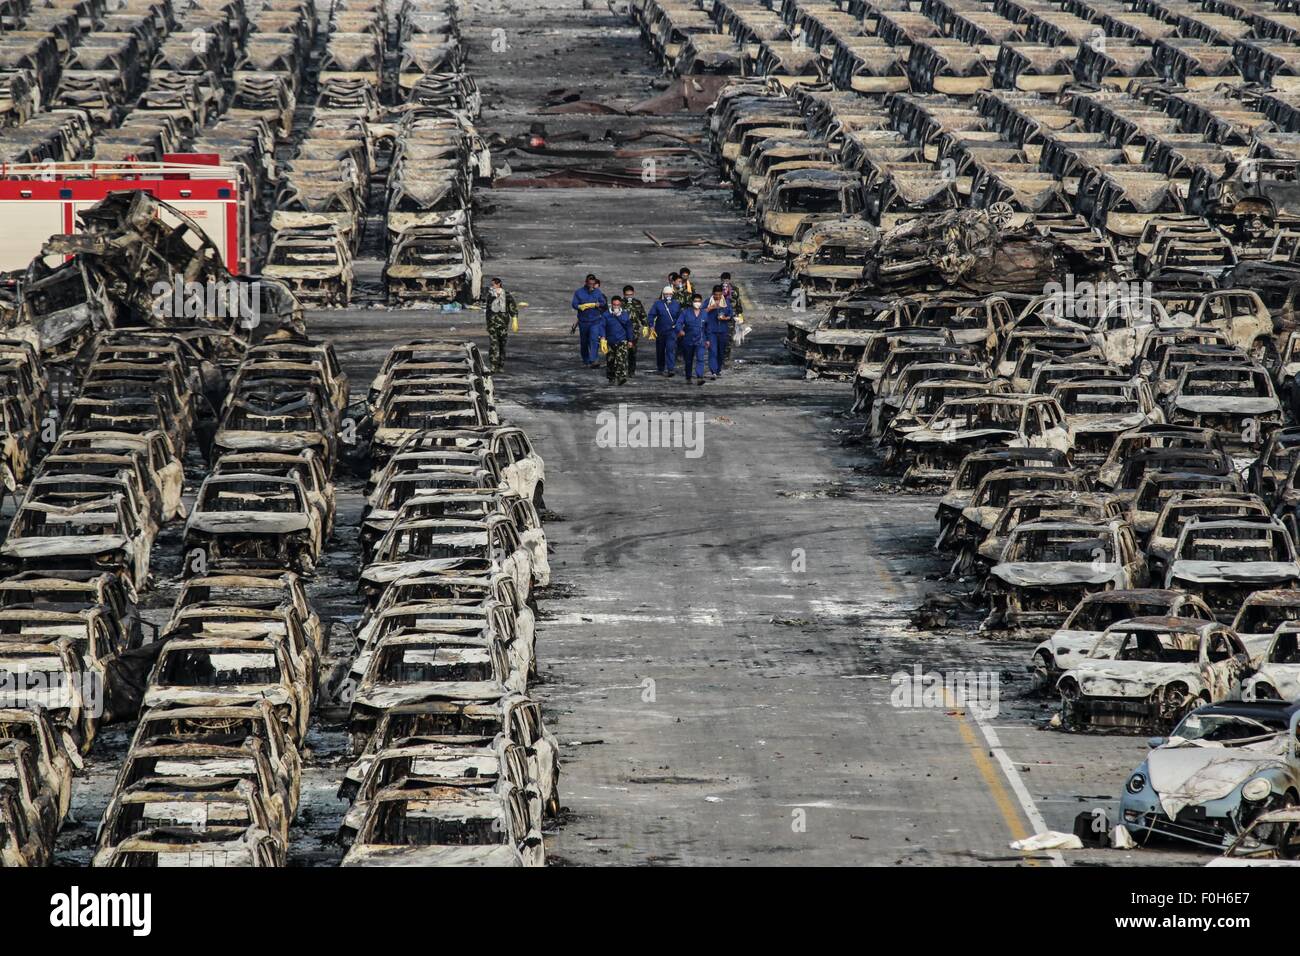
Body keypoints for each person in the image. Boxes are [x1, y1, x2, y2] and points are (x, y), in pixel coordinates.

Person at [570, 274, 607, 367]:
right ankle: (586, 359)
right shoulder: (579, 292)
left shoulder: (597, 292)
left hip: (595, 321)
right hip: (583, 321)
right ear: (586, 282)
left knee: (594, 340)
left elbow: (603, 302)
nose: (591, 285)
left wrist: (599, 304)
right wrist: (579, 306)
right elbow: (574, 304)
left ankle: (593, 360)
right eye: (590, 283)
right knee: (584, 341)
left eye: (593, 284)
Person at [482, 277, 517, 372]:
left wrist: (514, 318)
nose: (492, 286)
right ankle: (493, 365)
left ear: (498, 284)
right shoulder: (490, 295)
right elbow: (488, 311)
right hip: (492, 324)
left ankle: (501, 365)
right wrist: (488, 324)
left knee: (502, 345)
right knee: (493, 345)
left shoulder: (506, 295)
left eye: (493, 284)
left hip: (503, 325)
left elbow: (512, 307)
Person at [676, 293, 708, 386]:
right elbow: (678, 323)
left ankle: (699, 377)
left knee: (700, 358)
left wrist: (708, 339)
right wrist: (680, 330)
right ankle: (688, 377)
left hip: (701, 339)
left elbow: (708, 327)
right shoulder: (685, 312)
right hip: (688, 340)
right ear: (692, 302)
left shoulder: (704, 314)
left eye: (699, 301)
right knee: (688, 360)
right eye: (695, 301)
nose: (697, 303)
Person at [599, 296, 632, 386]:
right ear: (611, 304)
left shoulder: (624, 314)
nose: (616, 306)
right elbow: (602, 326)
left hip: (622, 340)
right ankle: (611, 377)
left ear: (620, 304)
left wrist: (630, 340)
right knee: (611, 360)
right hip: (610, 341)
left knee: (621, 359)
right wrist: (602, 337)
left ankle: (621, 377)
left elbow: (628, 327)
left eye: (618, 305)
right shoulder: (606, 315)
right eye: (614, 305)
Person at [703, 285, 734, 379]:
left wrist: (725, 318)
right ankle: (713, 371)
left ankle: (718, 370)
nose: (717, 297)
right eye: (716, 295)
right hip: (711, 331)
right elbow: (701, 313)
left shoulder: (726, 302)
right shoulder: (708, 301)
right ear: (713, 294)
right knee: (713, 351)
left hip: (723, 331)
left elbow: (730, 315)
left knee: (721, 352)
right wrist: (710, 308)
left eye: (719, 295)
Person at [649, 285, 680, 376]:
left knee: (670, 349)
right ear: (663, 294)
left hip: (672, 331)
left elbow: (680, 317)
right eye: (666, 294)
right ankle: (660, 368)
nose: (668, 296)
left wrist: (678, 327)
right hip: (660, 331)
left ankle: (670, 369)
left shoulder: (676, 304)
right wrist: (651, 325)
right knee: (660, 350)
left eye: (670, 294)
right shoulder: (658, 304)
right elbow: (651, 315)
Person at [720, 271, 744, 365]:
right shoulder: (718, 289)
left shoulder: (735, 289)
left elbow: (738, 302)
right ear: (721, 280)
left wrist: (740, 315)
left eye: (727, 280)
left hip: (731, 316)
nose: (725, 282)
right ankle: (720, 355)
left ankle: (726, 357)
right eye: (723, 280)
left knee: (729, 337)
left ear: (729, 280)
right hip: (721, 316)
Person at [622, 285, 646, 376]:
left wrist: (645, 326)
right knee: (622, 351)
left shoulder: (637, 303)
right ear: (624, 294)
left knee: (632, 351)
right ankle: (622, 370)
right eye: (627, 295)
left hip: (634, 331)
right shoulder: (619, 303)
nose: (629, 297)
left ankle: (631, 371)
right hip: (622, 331)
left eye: (631, 295)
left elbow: (642, 315)